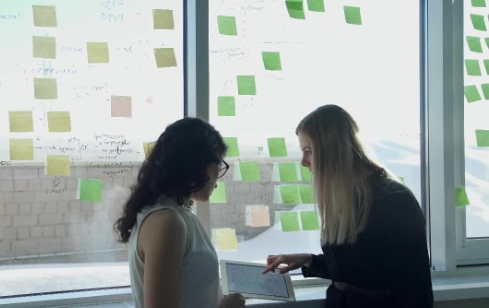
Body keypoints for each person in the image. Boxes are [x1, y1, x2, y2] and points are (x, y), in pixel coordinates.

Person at [262, 105, 433, 308]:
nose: (303, 162)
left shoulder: (395, 201)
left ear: (331, 149)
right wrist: (308, 260)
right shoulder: (349, 197)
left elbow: (415, 288)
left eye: (308, 151)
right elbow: (358, 270)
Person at [115, 117, 246, 308]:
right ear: (200, 166)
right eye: (219, 165)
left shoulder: (177, 214)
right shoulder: (167, 222)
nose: (218, 177)